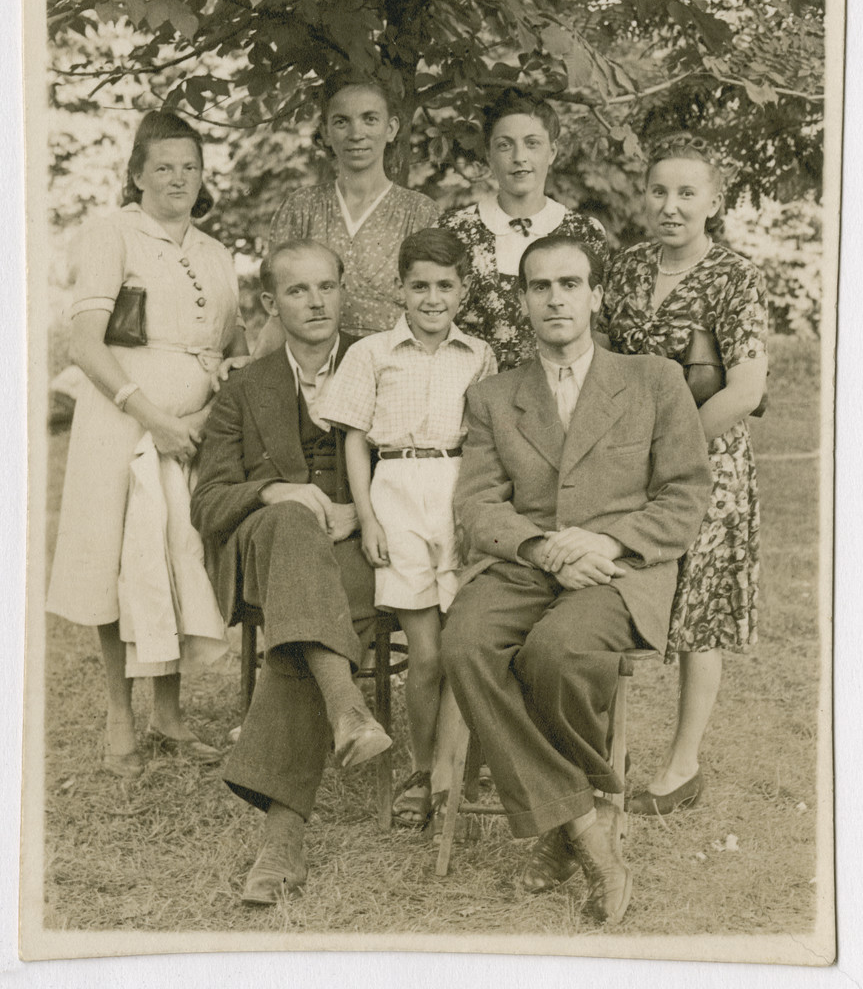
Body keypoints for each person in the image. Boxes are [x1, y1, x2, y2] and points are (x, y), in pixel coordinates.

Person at [441, 234, 712, 923]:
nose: (555, 297)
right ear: (522, 301)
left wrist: (608, 539)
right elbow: (476, 505)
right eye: (540, 286)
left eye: (570, 284)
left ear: (596, 295)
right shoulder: (494, 396)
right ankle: (586, 826)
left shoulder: (654, 379)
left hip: (618, 570)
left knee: (557, 652)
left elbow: (685, 496)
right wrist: (540, 547)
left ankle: (561, 832)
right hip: (525, 563)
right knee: (466, 643)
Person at [47, 110, 249, 779]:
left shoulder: (215, 251)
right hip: (123, 423)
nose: (178, 178)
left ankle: (169, 715)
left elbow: (234, 349)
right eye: (163, 166)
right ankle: (118, 717)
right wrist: (153, 417)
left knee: (170, 562)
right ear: (137, 174)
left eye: (190, 166)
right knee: (115, 565)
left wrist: (209, 408)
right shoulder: (112, 235)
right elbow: (84, 342)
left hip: (191, 436)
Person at [190, 239, 391, 906]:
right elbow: (207, 499)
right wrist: (276, 493)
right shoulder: (245, 387)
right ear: (272, 303)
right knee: (296, 528)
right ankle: (347, 708)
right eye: (298, 291)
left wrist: (362, 514)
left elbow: (422, 463)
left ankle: (283, 840)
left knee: (305, 632)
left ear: (343, 291)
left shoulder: (384, 361)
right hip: (267, 547)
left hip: (359, 549)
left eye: (326, 287)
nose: (315, 302)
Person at [602, 133, 768, 815]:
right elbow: (604, 363)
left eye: (686, 193)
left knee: (697, 612)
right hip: (627, 467)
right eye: (659, 191)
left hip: (706, 466)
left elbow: (746, 388)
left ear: (713, 202)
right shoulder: (625, 268)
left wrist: (674, 449)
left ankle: (681, 765)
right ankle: (606, 755)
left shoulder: (736, 276)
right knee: (614, 600)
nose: (671, 206)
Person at [320, 228, 497, 831]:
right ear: (400, 288)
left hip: (458, 496)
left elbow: (487, 443)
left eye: (445, 286)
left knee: (461, 645)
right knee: (423, 655)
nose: (431, 297)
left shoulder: (478, 356)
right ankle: (423, 770)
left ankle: (454, 773)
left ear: (464, 291)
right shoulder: (371, 353)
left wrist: (478, 515)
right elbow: (352, 438)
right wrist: (368, 517)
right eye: (419, 285)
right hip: (395, 492)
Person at [253, 71, 438, 357]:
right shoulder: (301, 208)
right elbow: (278, 314)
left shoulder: (420, 212)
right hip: (313, 364)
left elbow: (432, 309)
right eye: (342, 122)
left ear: (391, 129)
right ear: (326, 132)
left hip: (394, 365)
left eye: (369, 119)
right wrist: (253, 369)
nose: (356, 134)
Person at [440, 88, 608, 370]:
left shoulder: (584, 233)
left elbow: (596, 330)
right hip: (472, 396)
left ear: (552, 152)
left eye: (532, 144)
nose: (519, 157)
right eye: (505, 145)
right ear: (488, 154)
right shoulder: (454, 230)